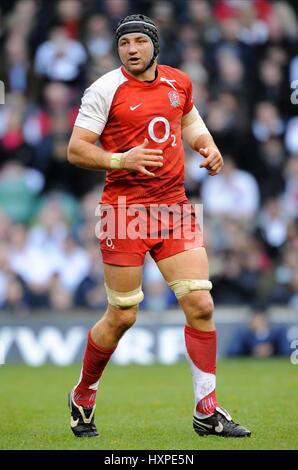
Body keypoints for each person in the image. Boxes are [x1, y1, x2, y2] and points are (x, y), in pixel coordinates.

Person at [67, 14, 251, 438]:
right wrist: (120, 159)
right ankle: (84, 394)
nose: (131, 49)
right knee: (123, 315)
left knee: (201, 305)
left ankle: (207, 410)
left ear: (154, 45)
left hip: (173, 208)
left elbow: (188, 120)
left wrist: (207, 145)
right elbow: (76, 149)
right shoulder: (104, 89)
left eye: (138, 41)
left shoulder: (178, 82)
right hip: (123, 211)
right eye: (124, 43)